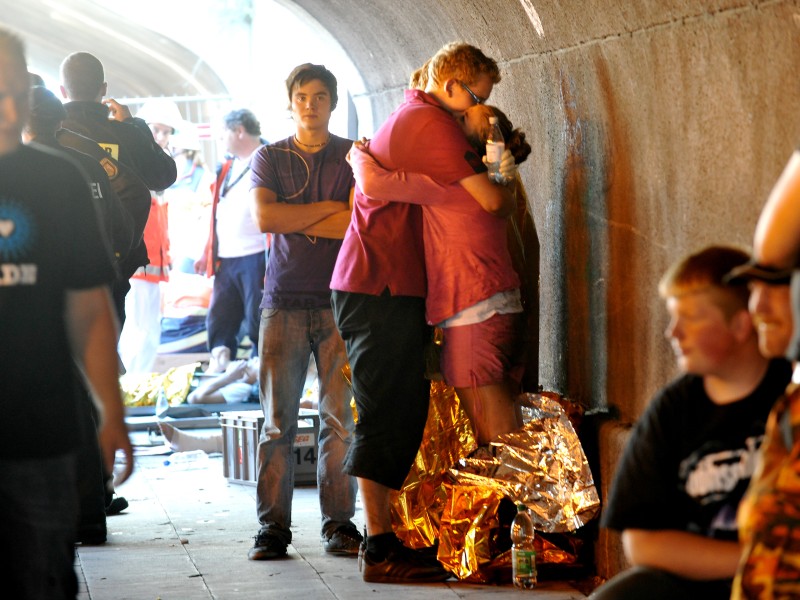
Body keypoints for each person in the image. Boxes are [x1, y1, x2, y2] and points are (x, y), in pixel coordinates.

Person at [330, 42, 513, 583]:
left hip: (391, 284)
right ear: (452, 86)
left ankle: (386, 541)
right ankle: (380, 546)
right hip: (380, 282)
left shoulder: (422, 117)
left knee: (401, 410)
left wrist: (360, 159)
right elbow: (491, 195)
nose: (471, 113)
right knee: (387, 410)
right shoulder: (430, 123)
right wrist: (360, 162)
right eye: (475, 98)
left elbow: (379, 179)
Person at [0, 27, 133, 598]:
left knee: (44, 578)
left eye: (11, 87)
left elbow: (89, 308)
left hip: (43, 430)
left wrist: (111, 410)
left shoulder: (59, 181)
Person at [590, 246, 792, 600]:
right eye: (672, 317)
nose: (673, 332)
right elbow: (641, 544)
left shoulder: (789, 393)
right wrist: (750, 561)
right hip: (696, 585)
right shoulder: (672, 410)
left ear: (740, 324)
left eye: (691, 318)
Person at [347, 103, 530, 446]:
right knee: (502, 426)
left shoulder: (449, 185)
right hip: (495, 310)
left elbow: (373, 182)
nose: (448, 122)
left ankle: (529, 500)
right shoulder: (491, 187)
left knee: (497, 434)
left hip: (474, 314)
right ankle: (521, 499)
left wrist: (358, 153)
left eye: (460, 120)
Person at [247, 63, 359, 561]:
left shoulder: (353, 156)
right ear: (289, 102)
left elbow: (357, 223)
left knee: (340, 422)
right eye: (301, 96)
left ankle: (339, 524)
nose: (309, 104)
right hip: (283, 301)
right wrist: (324, 212)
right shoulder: (269, 156)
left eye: (318, 96)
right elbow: (266, 218)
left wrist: (299, 215)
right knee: (278, 423)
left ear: (332, 102)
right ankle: (272, 529)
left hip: (341, 299)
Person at [23, 84, 135, 542]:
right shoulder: (86, 167)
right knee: (85, 404)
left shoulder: (17, 170)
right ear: (61, 121)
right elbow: (124, 230)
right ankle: (91, 511)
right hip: (91, 298)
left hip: (31, 311)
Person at [59, 51, 177, 322]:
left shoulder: (52, 134)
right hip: (117, 257)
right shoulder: (126, 133)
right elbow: (165, 176)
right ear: (103, 89)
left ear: (62, 90)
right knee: (107, 340)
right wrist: (134, 125)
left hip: (64, 255)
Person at [195, 109, 267, 366]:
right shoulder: (227, 165)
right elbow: (217, 210)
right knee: (221, 315)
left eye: (224, 132)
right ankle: (220, 360)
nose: (220, 138)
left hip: (256, 253)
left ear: (239, 131)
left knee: (257, 315)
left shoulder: (268, 159)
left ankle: (260, 368)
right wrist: (208, 252)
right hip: (226, 256)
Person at [117, 99, 183, 374]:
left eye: (166, 132)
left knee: (146, 330)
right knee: (138, 330)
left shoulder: (157, 173)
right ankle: (132, 384)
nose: (161, 137)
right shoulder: (136, 167)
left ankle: (135, 383)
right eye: (156, 129)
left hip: (149, 268)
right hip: (138, 266)